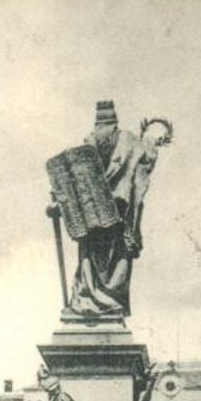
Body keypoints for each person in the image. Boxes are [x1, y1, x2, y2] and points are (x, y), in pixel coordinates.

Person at [64, 101, 173, 318]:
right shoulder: (122, 143)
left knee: (100, 260)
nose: (102, 135)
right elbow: (145, 156)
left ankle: (97, 300)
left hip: (104, 220)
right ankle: (95, 300)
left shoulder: (96, 145)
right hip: (104, 219)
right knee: (99, 262)